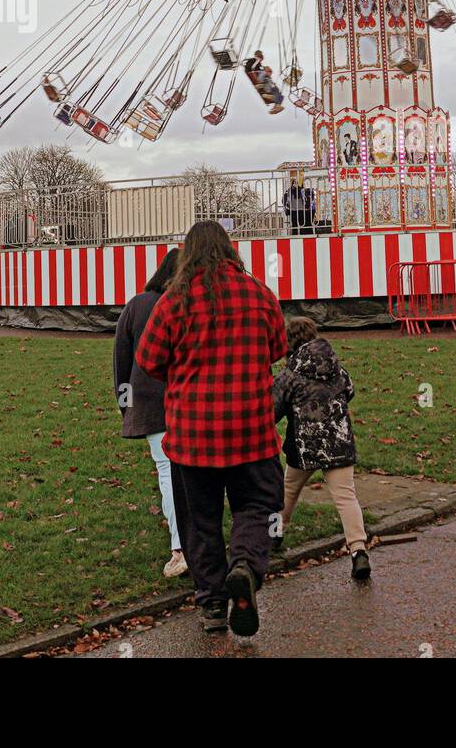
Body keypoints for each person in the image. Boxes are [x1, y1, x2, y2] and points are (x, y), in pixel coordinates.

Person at [135, 220, 287, 637]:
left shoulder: (173, 301)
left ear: (188, 255)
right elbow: (278, 347)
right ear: (230, 250)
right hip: (253, 432)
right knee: (258, 507)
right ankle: (245, 566)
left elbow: (148, 359)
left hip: (192, 437)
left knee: (199, 522)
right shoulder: (259, 294)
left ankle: (213, 605)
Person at [273, 317, 370, 580]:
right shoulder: (336, 367)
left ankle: (274, 534)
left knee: (286, 491)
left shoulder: (289, 375)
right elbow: (349, 391)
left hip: (303, 446)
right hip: (338, 442)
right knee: (346, 497)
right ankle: (358, 550)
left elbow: (273, 410)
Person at [113, 248, 186, 578]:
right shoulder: (190, 304)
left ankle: (180, 548)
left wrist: (125, 403)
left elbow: (122, 360)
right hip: (191, 400)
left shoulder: (138, 305)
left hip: (151, 401)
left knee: (168, 471)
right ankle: (196, 543)